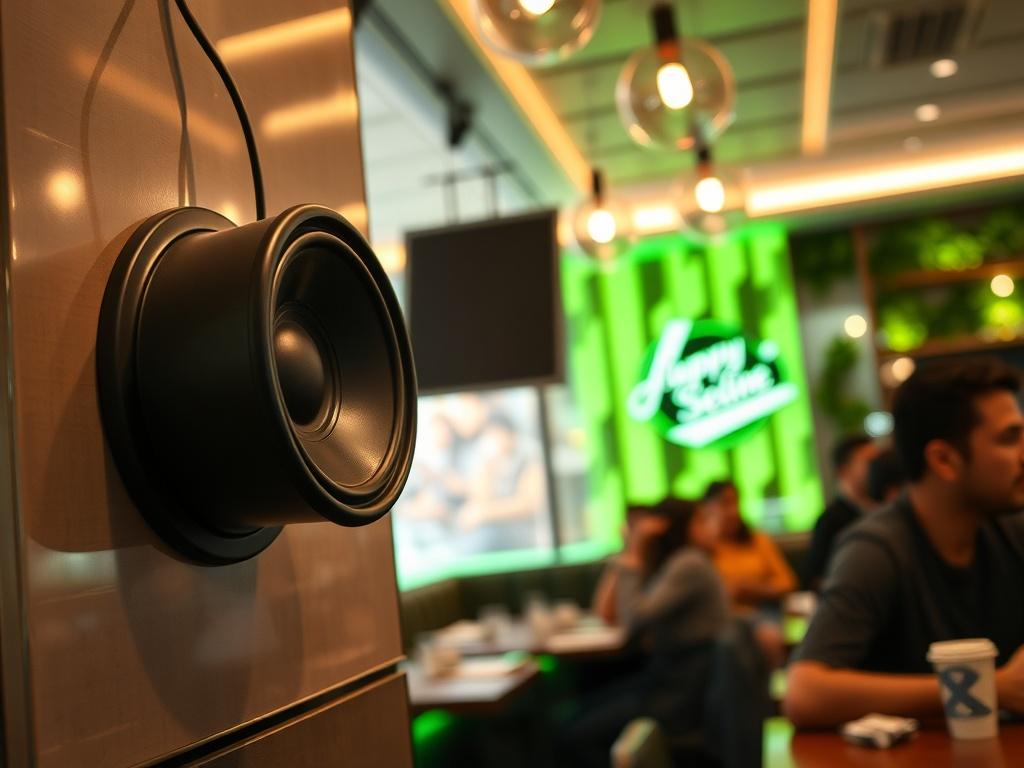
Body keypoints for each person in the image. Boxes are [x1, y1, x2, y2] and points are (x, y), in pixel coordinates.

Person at [784, 357, 1024, 728]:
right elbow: (804, 692)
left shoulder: (1010, 530)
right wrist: (987, 687)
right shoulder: (876, 549)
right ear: (944, 460)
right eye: (1009, 438)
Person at [563, 499, 729, 767]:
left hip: (679, 694)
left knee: (575, 733)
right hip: (669, 682)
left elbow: (633, 621)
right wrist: (632, 550)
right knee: (574, 714)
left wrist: (634, 551)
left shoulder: (689, 563)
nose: (710, 527)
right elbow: (606, 613)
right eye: (701, 520)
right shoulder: (673, 563)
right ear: (682, 526)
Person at [704, 480, 797, 612]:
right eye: (724, 503)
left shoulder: (757, 539)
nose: (733, 511)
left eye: (736, 502)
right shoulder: (702, 548)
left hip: (765, 612)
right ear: (707, 509)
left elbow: (787, 583)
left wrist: (754, 590)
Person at [804, 435, 880, 590]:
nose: (878, 469)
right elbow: (816, 578)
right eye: (870, 463)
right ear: (844, 471)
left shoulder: (883, 511)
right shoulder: (830, 521)